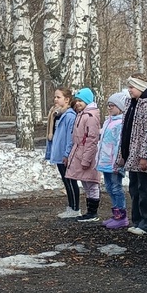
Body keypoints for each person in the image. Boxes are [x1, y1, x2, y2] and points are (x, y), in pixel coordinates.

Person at [120, 76, 147, 235]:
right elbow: (125, 130)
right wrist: (122, 153)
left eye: (132, 87)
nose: (129, 90)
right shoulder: (131, 103)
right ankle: (137, 220)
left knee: (145, 190)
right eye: (128, 87)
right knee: (134, 189)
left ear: (141, 87)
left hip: (140, 155)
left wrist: (144, 156)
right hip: (131, 152)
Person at [65, 88, 102, 222]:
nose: (78, 103)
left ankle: (93, 212)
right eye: (77, 101)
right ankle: (89, 211)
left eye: (81, 101)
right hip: (79, 153)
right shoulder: (82, 114)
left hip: (87, 155)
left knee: (91, 183)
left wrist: (86, 159)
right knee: (86, 183)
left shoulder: (90, 117)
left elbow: (92, 139)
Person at [99, 92, 129, 229]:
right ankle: (115, 213)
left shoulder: (120, 123)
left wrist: (118, 160)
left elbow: (119, 144)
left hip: (114, 162)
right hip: (105, 161)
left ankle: (121, 216)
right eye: (108, 105)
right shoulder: (108, 121)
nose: (110, 108)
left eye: (113, 105)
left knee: (116, 188)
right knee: (110, 188)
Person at [47, 88, 79, 218]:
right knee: (66, 181)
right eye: (55, 97)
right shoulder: (58, 115)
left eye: (58, 97)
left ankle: (75, 208)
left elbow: (70, 137)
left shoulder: (70, 116)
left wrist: (66, 154)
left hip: (65, 155)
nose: (55, 99)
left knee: (70, 181)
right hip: (59, 153)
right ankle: (71, 206)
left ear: (67, 99)